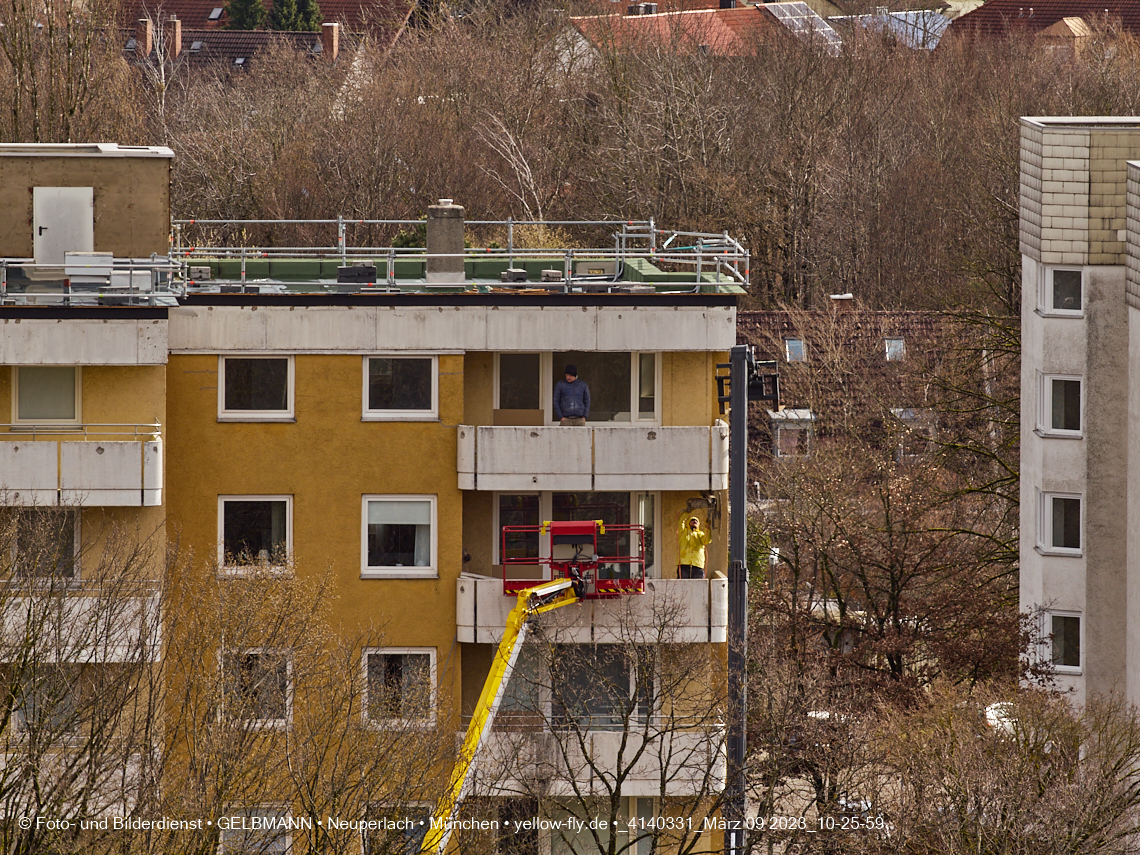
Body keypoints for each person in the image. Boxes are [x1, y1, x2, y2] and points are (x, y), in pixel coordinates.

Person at [678, 514, 710, 579]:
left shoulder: (700, 534)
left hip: (697, 564)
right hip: (684, 564)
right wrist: (687, 512)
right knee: (682, 585)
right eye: (692, 520)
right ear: (688, 523)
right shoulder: (683, 532)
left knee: (698, 586)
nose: (695, 521)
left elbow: (707, 540)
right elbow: (680, 522)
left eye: (696, 521)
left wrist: (707, 527)